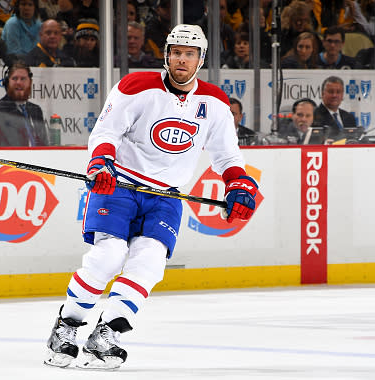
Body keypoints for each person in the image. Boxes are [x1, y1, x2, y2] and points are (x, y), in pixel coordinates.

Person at [44, 24, 259, 370]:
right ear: (166, 54)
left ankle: (107, 333)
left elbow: (227, 157)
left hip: (167, 196)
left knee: (150, 259)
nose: (181, 60)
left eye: (190, 54)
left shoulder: (215, 103)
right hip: (120, 185)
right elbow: (106, 132)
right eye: (176, 52)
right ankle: (67, 327)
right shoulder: (135, 87)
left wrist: (239, 184)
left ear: (201, 59)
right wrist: (101, 162)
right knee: (109, 255)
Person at [0, 62, 49, 146]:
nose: (19, 83)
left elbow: (44, 144)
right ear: (7, 83)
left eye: (23, 79)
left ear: (30, 82)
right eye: (14, 78)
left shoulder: (36, 110)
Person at [314, 76, 358, 141]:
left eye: (338, 92)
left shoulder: (349, 117)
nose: (334, 95)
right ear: (322, 94)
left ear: (342, 95)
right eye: (331, 92)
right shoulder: (314, 116)